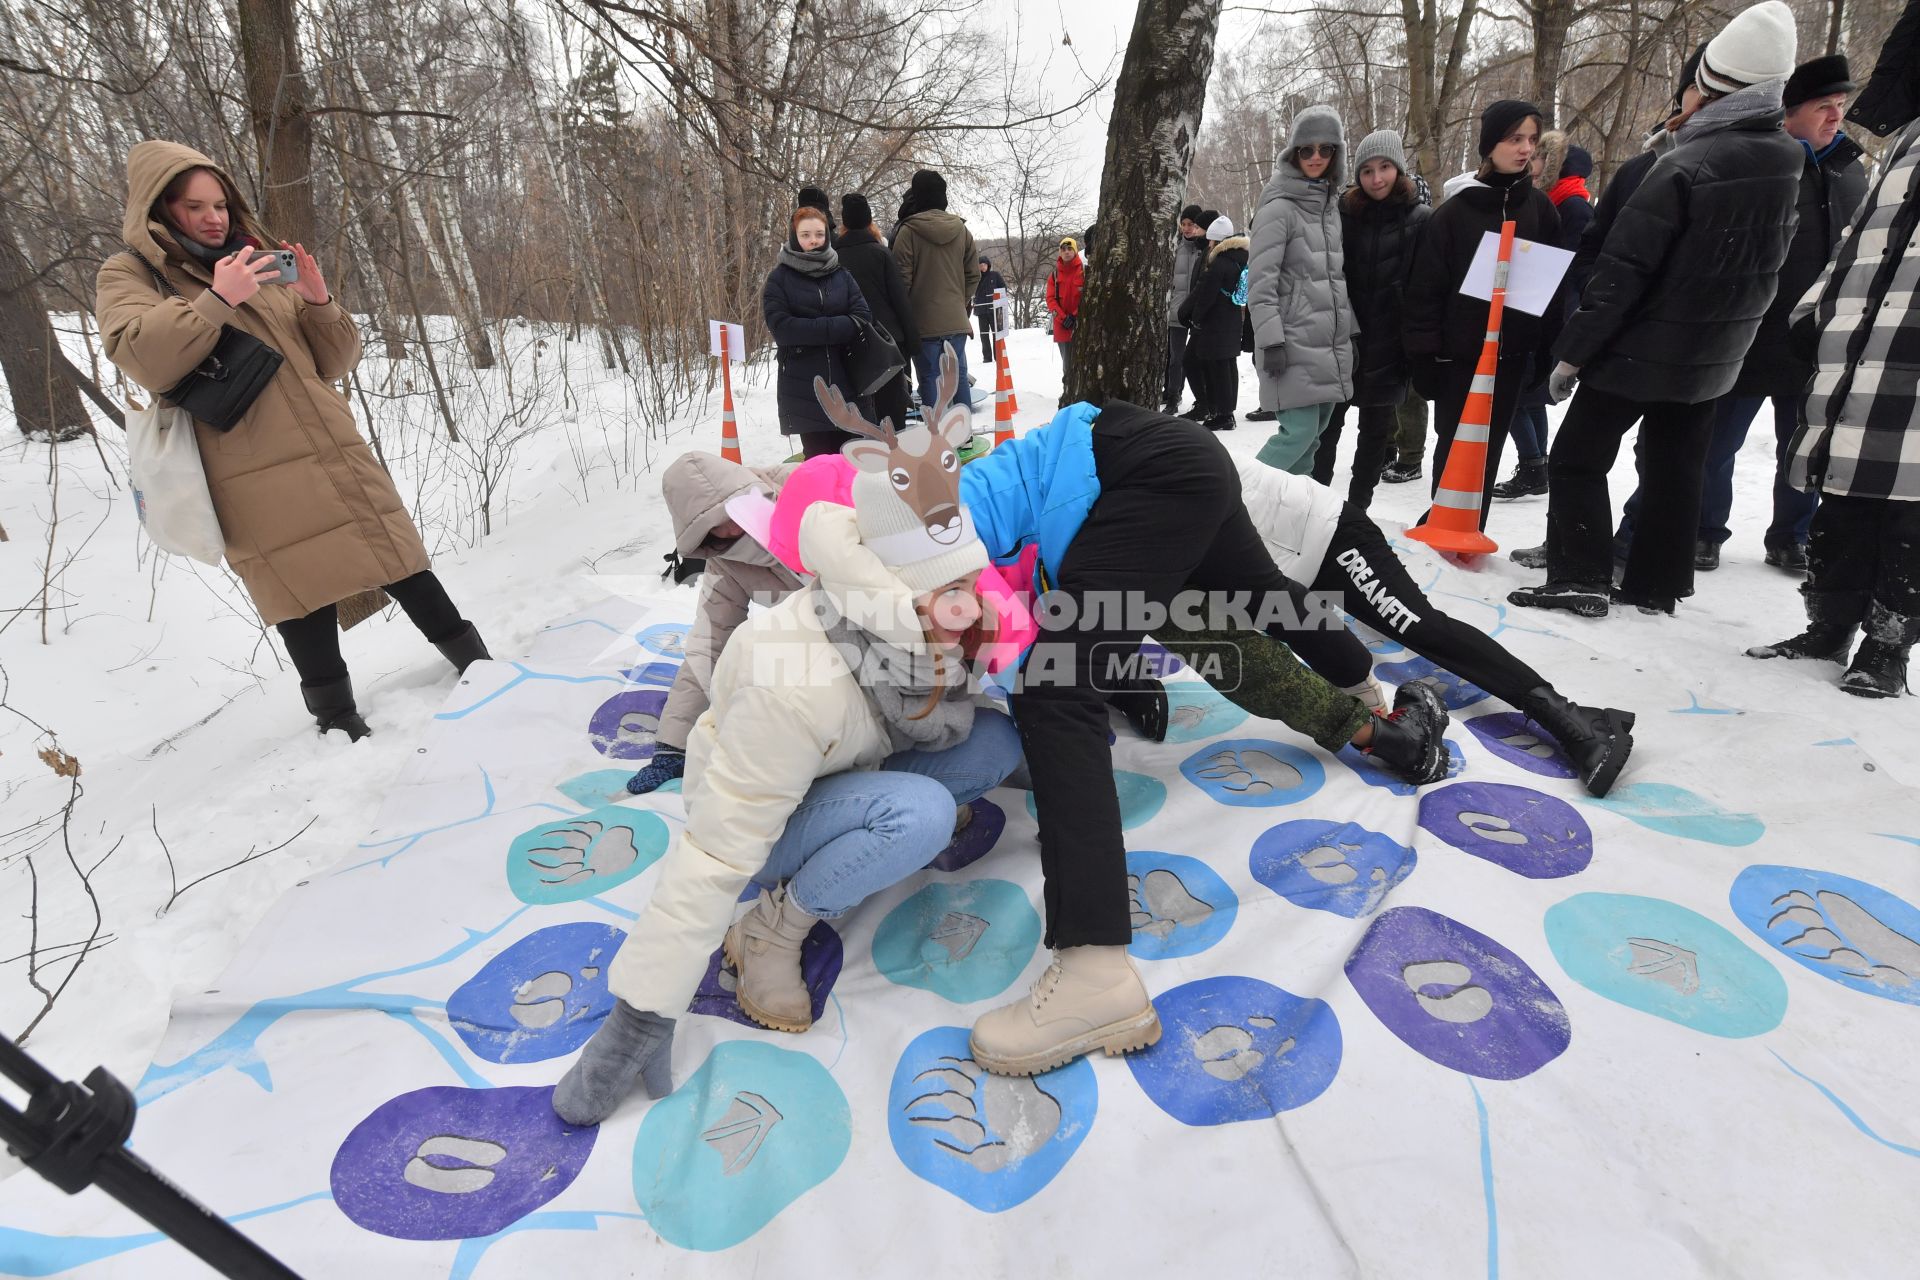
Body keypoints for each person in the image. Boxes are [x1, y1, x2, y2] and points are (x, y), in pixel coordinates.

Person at [553, 381, 1024, 1124]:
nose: (974, 601)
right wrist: (641, 1015)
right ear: (897, 584)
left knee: (996, 739)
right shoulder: (789, 673)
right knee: (923, 813)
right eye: (953, 587)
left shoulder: (913, 624)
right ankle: (771, 928)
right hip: (764, 820)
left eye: (971, 580)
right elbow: (714, 854)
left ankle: (874, 823)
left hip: (845, 767)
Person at [958, 394, 1451, 1077]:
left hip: (1139, 471)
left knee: (1053, 686)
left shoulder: (930, 543)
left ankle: (1094, 973)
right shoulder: (931, 499)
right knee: (1261, 595)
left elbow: (1026, 644)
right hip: (1173, 449)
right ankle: (1367, 695)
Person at [96, 142, 488, 741]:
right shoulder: (131, 273)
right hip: (245, 466)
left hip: (329, 442)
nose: (214, 218)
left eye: (221, 203)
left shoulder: (256, 257)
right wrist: (217, 298)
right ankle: (337, 721)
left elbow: (334, 360)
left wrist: (317, 300)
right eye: (195, 206)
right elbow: (142, 356)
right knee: (297, 592)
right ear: (158, 210)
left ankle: (479, 667)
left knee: (400, 559)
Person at [1511, 1, 1802, 618]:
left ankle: (1581, 577)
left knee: (1576, 458)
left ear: (1711, 88)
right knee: (1676, 467)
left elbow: (1623, 273)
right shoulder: (1785, 160)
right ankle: (1657, 583)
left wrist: (1573, 355)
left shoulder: (1686, 165)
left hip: (1640, 348)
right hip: (1713, 356)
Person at [1234, 461, 1634, 796]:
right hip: (1278, 571)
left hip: (1324, 533)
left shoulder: (1179, 455)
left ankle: (1577, 719)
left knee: (1418, 628)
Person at [1612, 54, 1866, 576]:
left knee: (1803, 451)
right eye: (1823, 107)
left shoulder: (1850, 172)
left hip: (1816, 344)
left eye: (1841, 106)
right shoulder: (1764, 162)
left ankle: (1792, 536)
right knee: (1709, 446)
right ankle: (1703, 530)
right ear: (1788, 113)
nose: (1835, 117)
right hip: (1746, 334)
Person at [1748, 4, 1920, 696]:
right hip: (1856, 347)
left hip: (1909, 359)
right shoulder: (1906, 142)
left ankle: (1886, 647)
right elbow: (1859, 237)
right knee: (1843, 497)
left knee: (1907, 513)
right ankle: (1828, 625)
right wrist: (1813, 308)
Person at [1403, 100, 1562, 528]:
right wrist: (1426, 356)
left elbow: (1551, 289)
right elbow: (1426, 291)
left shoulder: (1541, 210)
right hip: (1461, 357)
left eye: (1531, 139)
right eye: (1514, 139)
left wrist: (1544, 350)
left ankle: (1472, 524)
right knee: (1455, 442)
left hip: (1512, 356)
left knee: (1490, 445)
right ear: (1490, 145)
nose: (1525, 148)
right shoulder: (1455, 214)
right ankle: (1442, 518)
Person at [624, 454, 804, 795]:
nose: (734, 528)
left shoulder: (809, 489)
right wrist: (672, 745)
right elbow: (709, 644)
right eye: (716, 523)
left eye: (734, 509)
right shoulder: (727, 564)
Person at [1310, 129, 1430, 510]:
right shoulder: (1343, 214)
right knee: (1326, 428)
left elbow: (1426, 284)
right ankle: (1316, 502)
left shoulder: (1420, 218)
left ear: (1399, 169)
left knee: (1376, 433)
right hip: (1345, 340)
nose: (1376, 178)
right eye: (1366, 170)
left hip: (1392, 343)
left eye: (1385, 167)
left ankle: (1357, 510)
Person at [1248, 105, 1356, 473]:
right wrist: (1271, 341)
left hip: (1327, 343)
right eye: (1306, 149)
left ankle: (1289, 517)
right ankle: (1236, 499)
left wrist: (1349, 332)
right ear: (1293, 153)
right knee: (1298, 432)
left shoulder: (1329, 210)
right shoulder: (1278, 209)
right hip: (1290, 344)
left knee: (1314, 436)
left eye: (1325, 149)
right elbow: (1260, 284)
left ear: (1336, 154)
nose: (1315, 157)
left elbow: (1334, 278)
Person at [1494, 131, 1594, 501]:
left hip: (1549, 313)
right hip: (1535, 307)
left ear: (1553, 166)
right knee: (1530, 395)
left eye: (1537, 157)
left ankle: (1534, 466)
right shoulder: (1555, 200)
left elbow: (1566, 265)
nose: (1528, 160)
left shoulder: (1572, 206)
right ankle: (1537, 465)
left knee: (1517, 395)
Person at [763, 206, 871, 459]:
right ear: (794, 237)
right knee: (819, 460)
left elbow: (862, 316)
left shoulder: (842, 275)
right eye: (806, 235)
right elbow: (782, 328)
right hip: (804, 384)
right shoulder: (779, 278)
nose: (813, 240)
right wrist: (835, 327)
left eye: (819, 234)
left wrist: (813, 328)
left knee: (854, 458)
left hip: (848, 379)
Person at [891, 168, 981, 412]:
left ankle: (936, 435)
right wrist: (959, 301)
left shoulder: (907, 232)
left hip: (922, 324)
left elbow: (901, 281)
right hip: (956, 319)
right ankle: (965, 433)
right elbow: (973, 274)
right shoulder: (962, 231)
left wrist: (908, 312)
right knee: (959, 374)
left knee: (929, 377)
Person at [837, 193, 918, 429]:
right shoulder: (881, 253)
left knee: (861, 402)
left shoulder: (835, 257)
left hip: (851, 339)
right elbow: (899, 299)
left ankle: (867, 452)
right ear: (869, 221)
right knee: (893, 405)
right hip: (889, 339)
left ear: (844, 223)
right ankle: (897, 453)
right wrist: (912, 340)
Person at [1176, 215, 1248, 432]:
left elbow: (1205, 295)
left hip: (1215, 324)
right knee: (1227, 367)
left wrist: (1194, 317)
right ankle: (1225, 411)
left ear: (1216, 240)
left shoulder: (1219, 264)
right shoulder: (1240, 258)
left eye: (1210, 240)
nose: (1208, 243)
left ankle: (1222, 414)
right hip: (1232, 321)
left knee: (1217, 368)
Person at [1165, 204, 1209, 413]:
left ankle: (1204, 399)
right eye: (1183, 224)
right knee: (1176, 358)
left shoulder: (1207, 249)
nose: (1187, 228)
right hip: (1177, 310)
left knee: (1201, 357)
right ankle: (1173, 396)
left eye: (1191, 224)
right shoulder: (1175, 248)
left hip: (1200, 312)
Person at [1045, 236, 1085, 384]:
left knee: (1083, 363)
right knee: (1068, 366)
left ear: (1075, 251)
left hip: (1081, 326)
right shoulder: (1054, 275)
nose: (1067, 252)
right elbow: (1050, 299)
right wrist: (1063, 318)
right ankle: (1069, 392)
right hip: (1062, 327)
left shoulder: (1084, 271)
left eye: (1070, 249)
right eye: (1063, 249)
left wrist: (1075, 316)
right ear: (1060, 252)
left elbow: (1087, 298)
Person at [973, 255, 1007, 365]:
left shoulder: (995, 275)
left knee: (996, 334)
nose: (982, 267)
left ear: (988, 265)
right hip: (981, 311)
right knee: (984, 334)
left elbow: (1003, 288)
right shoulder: (976, 278)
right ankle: (987, 357)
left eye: (984, 265)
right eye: (980, 265)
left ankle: (998, 356)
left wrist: (999, 299)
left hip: (994, 310)